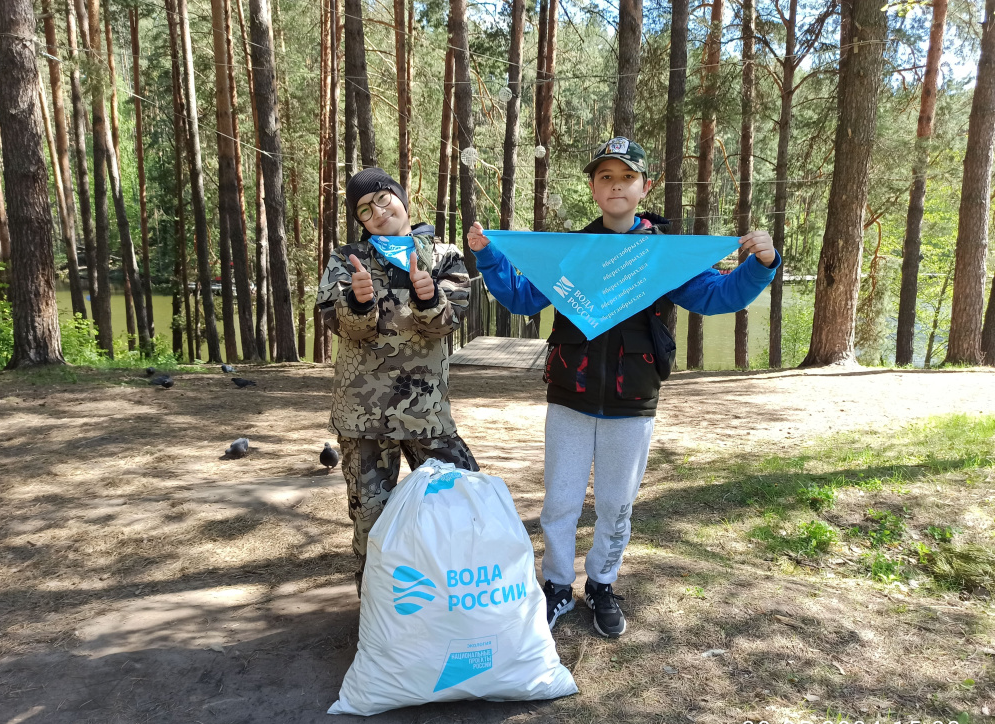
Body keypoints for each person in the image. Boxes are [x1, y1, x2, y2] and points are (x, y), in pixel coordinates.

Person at [467, 137, 779, 639]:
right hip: (569, 396)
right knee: (560, 503)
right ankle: (557, 586)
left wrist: (759, 265)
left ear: (644, 187)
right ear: (593, 188)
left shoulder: (663, 256)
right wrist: (489, 258)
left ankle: (602, 584)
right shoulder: (573, 251)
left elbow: (716, 297)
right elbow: (523, 299)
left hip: (633, 403)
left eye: (626, 177)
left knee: (616, 505)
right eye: (606, 177)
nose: (616, 186)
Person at [317, 167, 478, 593]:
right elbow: (339, 323)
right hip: (363, 417)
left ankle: (458, 598)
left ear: (401, 197)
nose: (378, 212)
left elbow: (448, 324)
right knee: (373, 524)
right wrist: (357, 300)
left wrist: (428, 297)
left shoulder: (443, 255)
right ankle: (380, 615)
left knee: (462, 502)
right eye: (365, 210)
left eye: (383, 198)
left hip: (426, 412)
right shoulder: (346, 259)